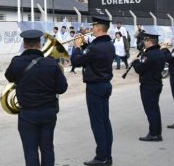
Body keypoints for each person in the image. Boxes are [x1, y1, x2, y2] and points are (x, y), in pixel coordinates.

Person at [6, 29, 68, 166]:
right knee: (47, 148)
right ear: (40, 44)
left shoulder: (17, 62)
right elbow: (62, 88)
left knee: (30, 150)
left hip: (27, 113)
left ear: (24, 44)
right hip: (48, 112)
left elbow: (9, 77)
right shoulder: (52, 63)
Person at [70, 14, 115, 166]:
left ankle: (101, 157)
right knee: (105, 121)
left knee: (97, 123)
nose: (91, 29)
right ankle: (107, 156)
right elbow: (91, 57)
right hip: (105, 84)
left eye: (93, 26)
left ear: (98, 28)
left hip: (95, 87)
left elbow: (77, 61)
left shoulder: (95, 47)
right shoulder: (109, 44)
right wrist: (83, 47)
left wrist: (76, 47)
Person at [132, 27, 166, 142]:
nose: (144, 43)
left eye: (145, 41)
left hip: (149, 85)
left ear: (149, 42)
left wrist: (135, 62)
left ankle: (154, 134)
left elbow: (139, 69)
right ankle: (156, 132)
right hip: (156, 83)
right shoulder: (159, 53)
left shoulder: (149, 55)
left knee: (151, 110)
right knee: (154, 109)